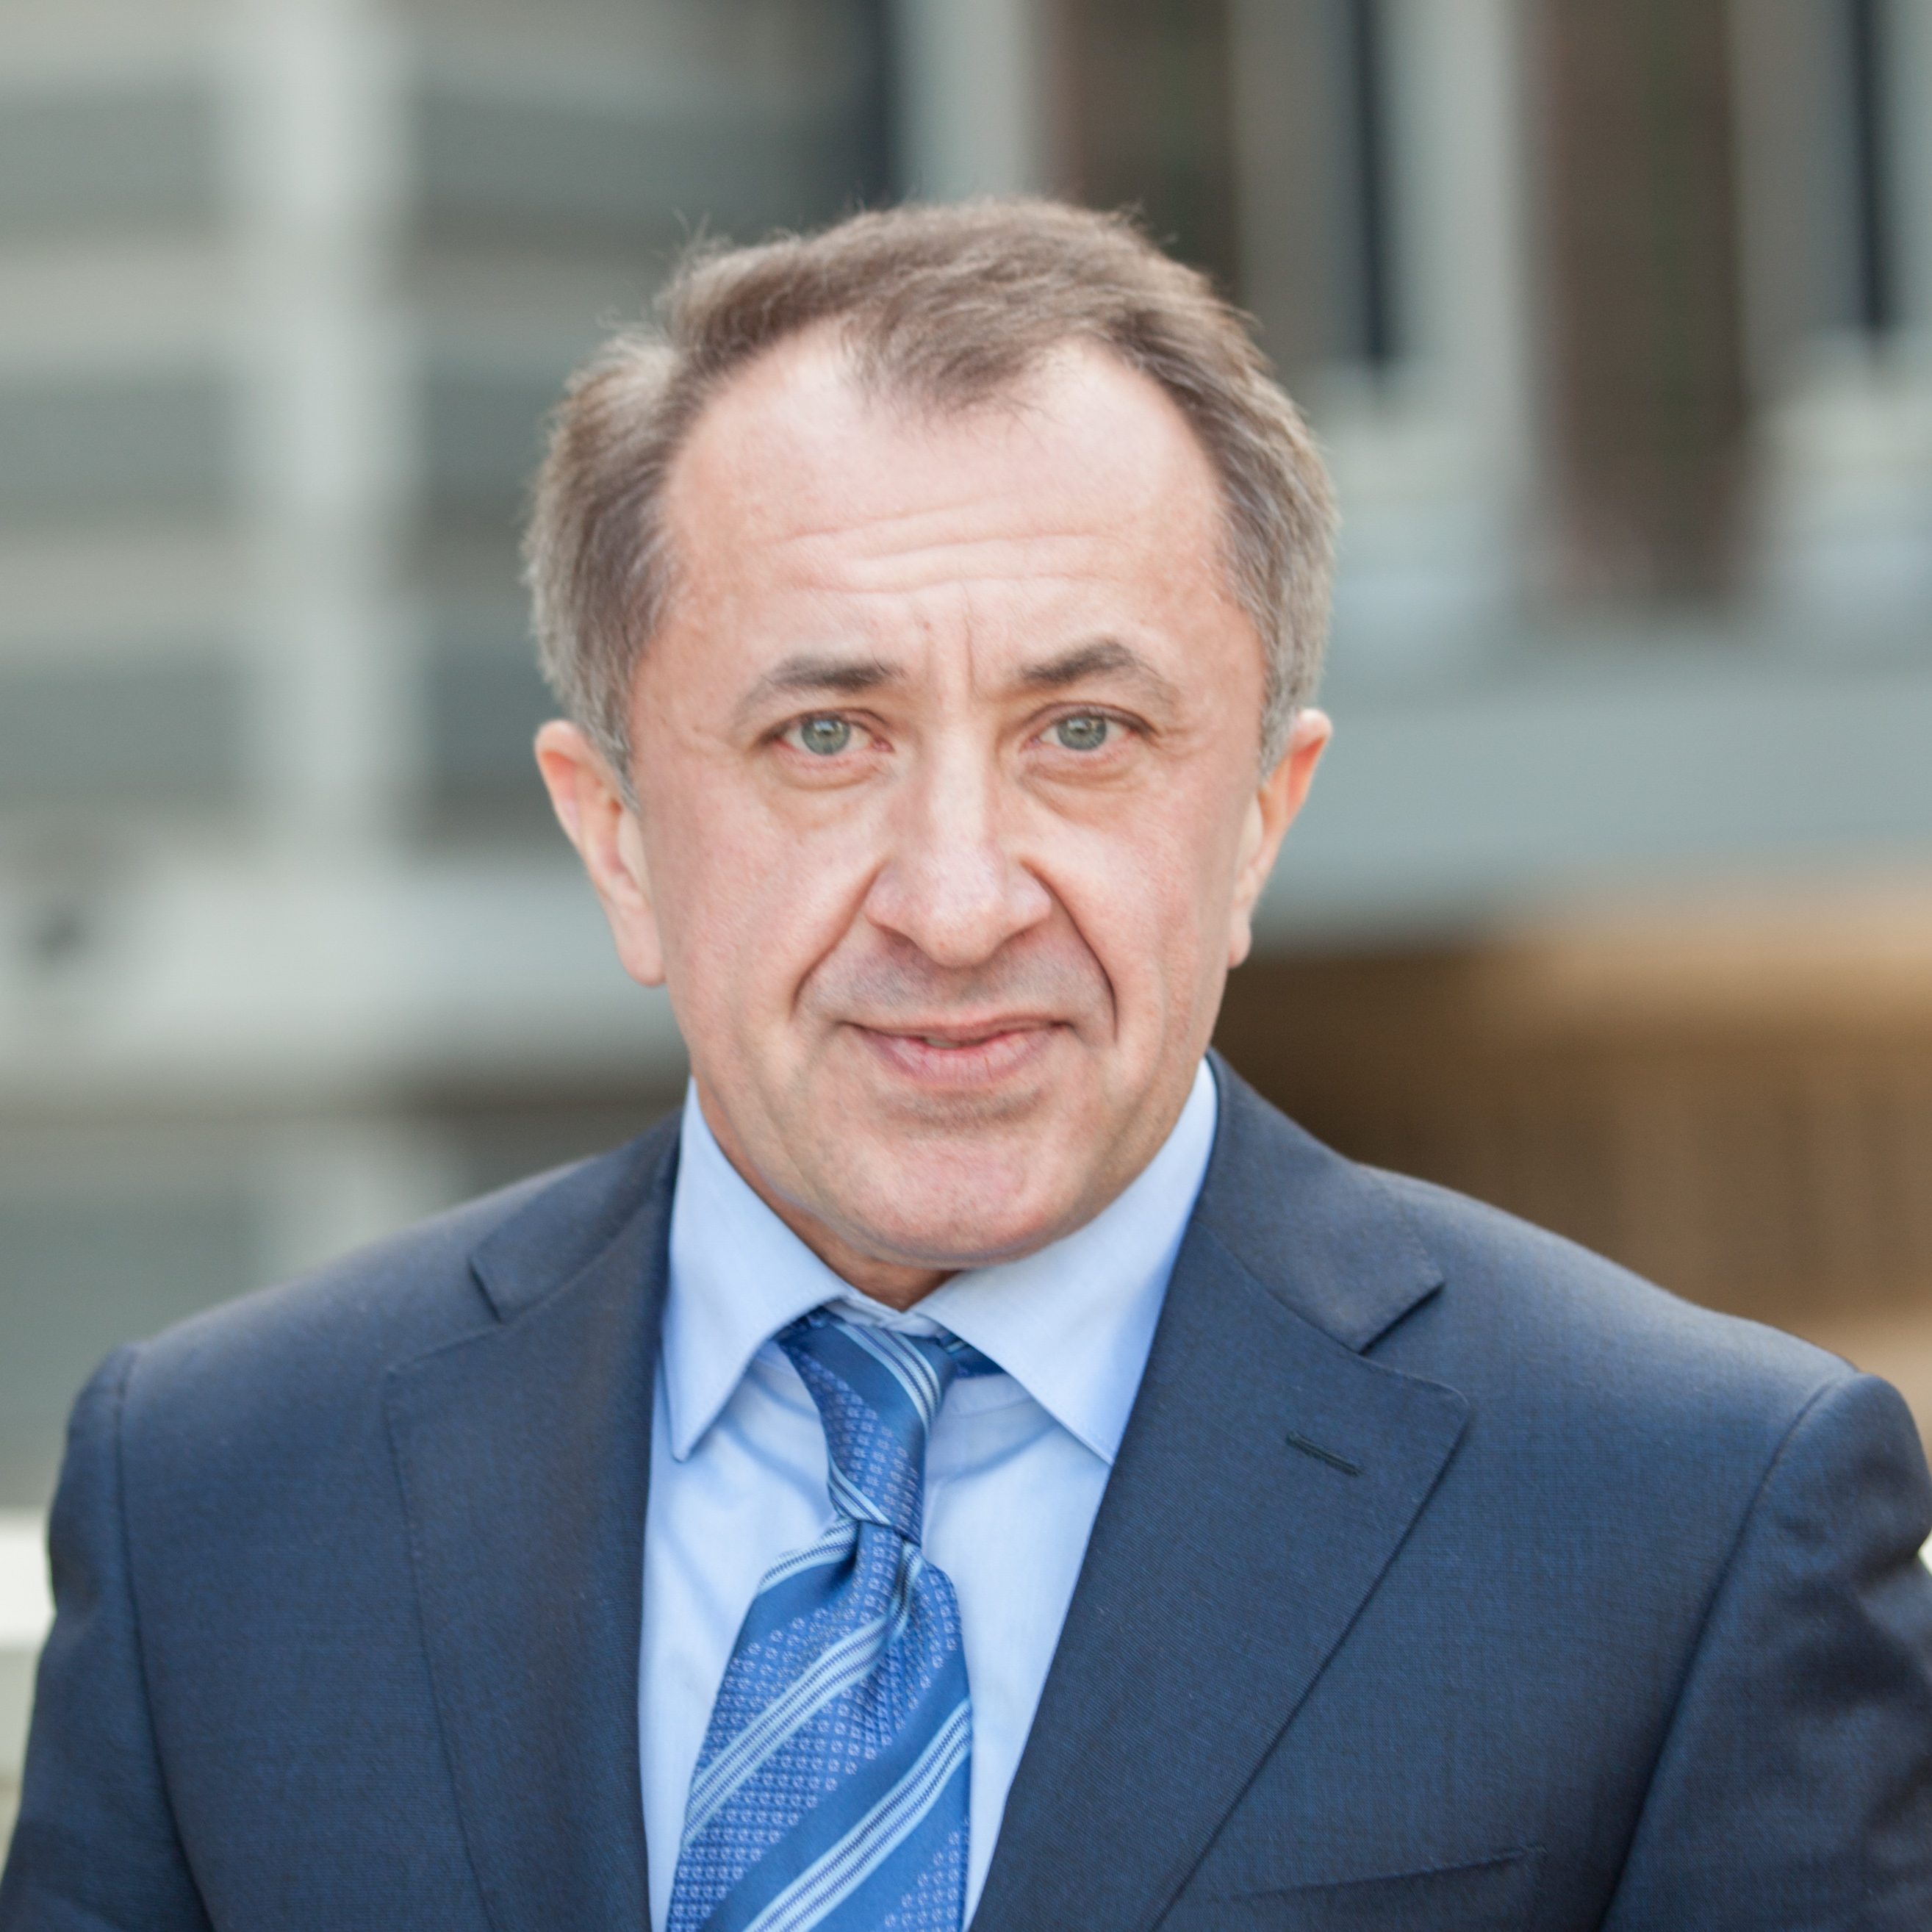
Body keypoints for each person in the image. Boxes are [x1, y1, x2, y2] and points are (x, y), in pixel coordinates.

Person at [4, 198, 1929, 1931]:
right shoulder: (215, 1497)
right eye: (824, 737)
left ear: (1260, 823)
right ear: (619, 841)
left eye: (1083, 731)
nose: (954, 900)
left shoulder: (1690, 1516)